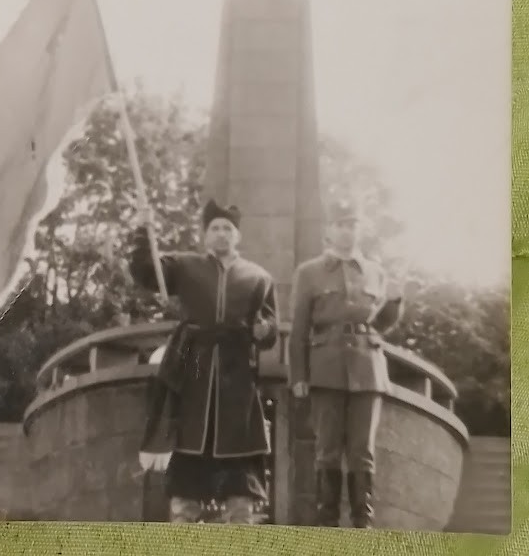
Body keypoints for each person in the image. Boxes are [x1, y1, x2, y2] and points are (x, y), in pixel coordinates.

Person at [130, 198, 279, 524]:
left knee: (240, 491)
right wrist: (143, 229)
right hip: (192, 370)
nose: (222, 234)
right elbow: (144, 272)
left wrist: (264, 330)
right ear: (205, 234)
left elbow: (271, 332)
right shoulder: (184, 265)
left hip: (237, 378)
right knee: (186, 486)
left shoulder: (259, 278)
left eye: (228, 228)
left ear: (237, 235)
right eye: (215, 228)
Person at [288, 197, 405, 529]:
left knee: (362, 448)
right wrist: (299, 374)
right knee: (326, 448)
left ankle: (361, 522)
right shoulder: (309, 272)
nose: (347, 231)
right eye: (341, 224)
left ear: (360, 229)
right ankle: (327, 522)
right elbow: (298, 329)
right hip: (325, 366)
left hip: (368, 368)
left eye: (353, 224)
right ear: (329, 230)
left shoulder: (376, 271)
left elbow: (380, 324)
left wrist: (395, 300)